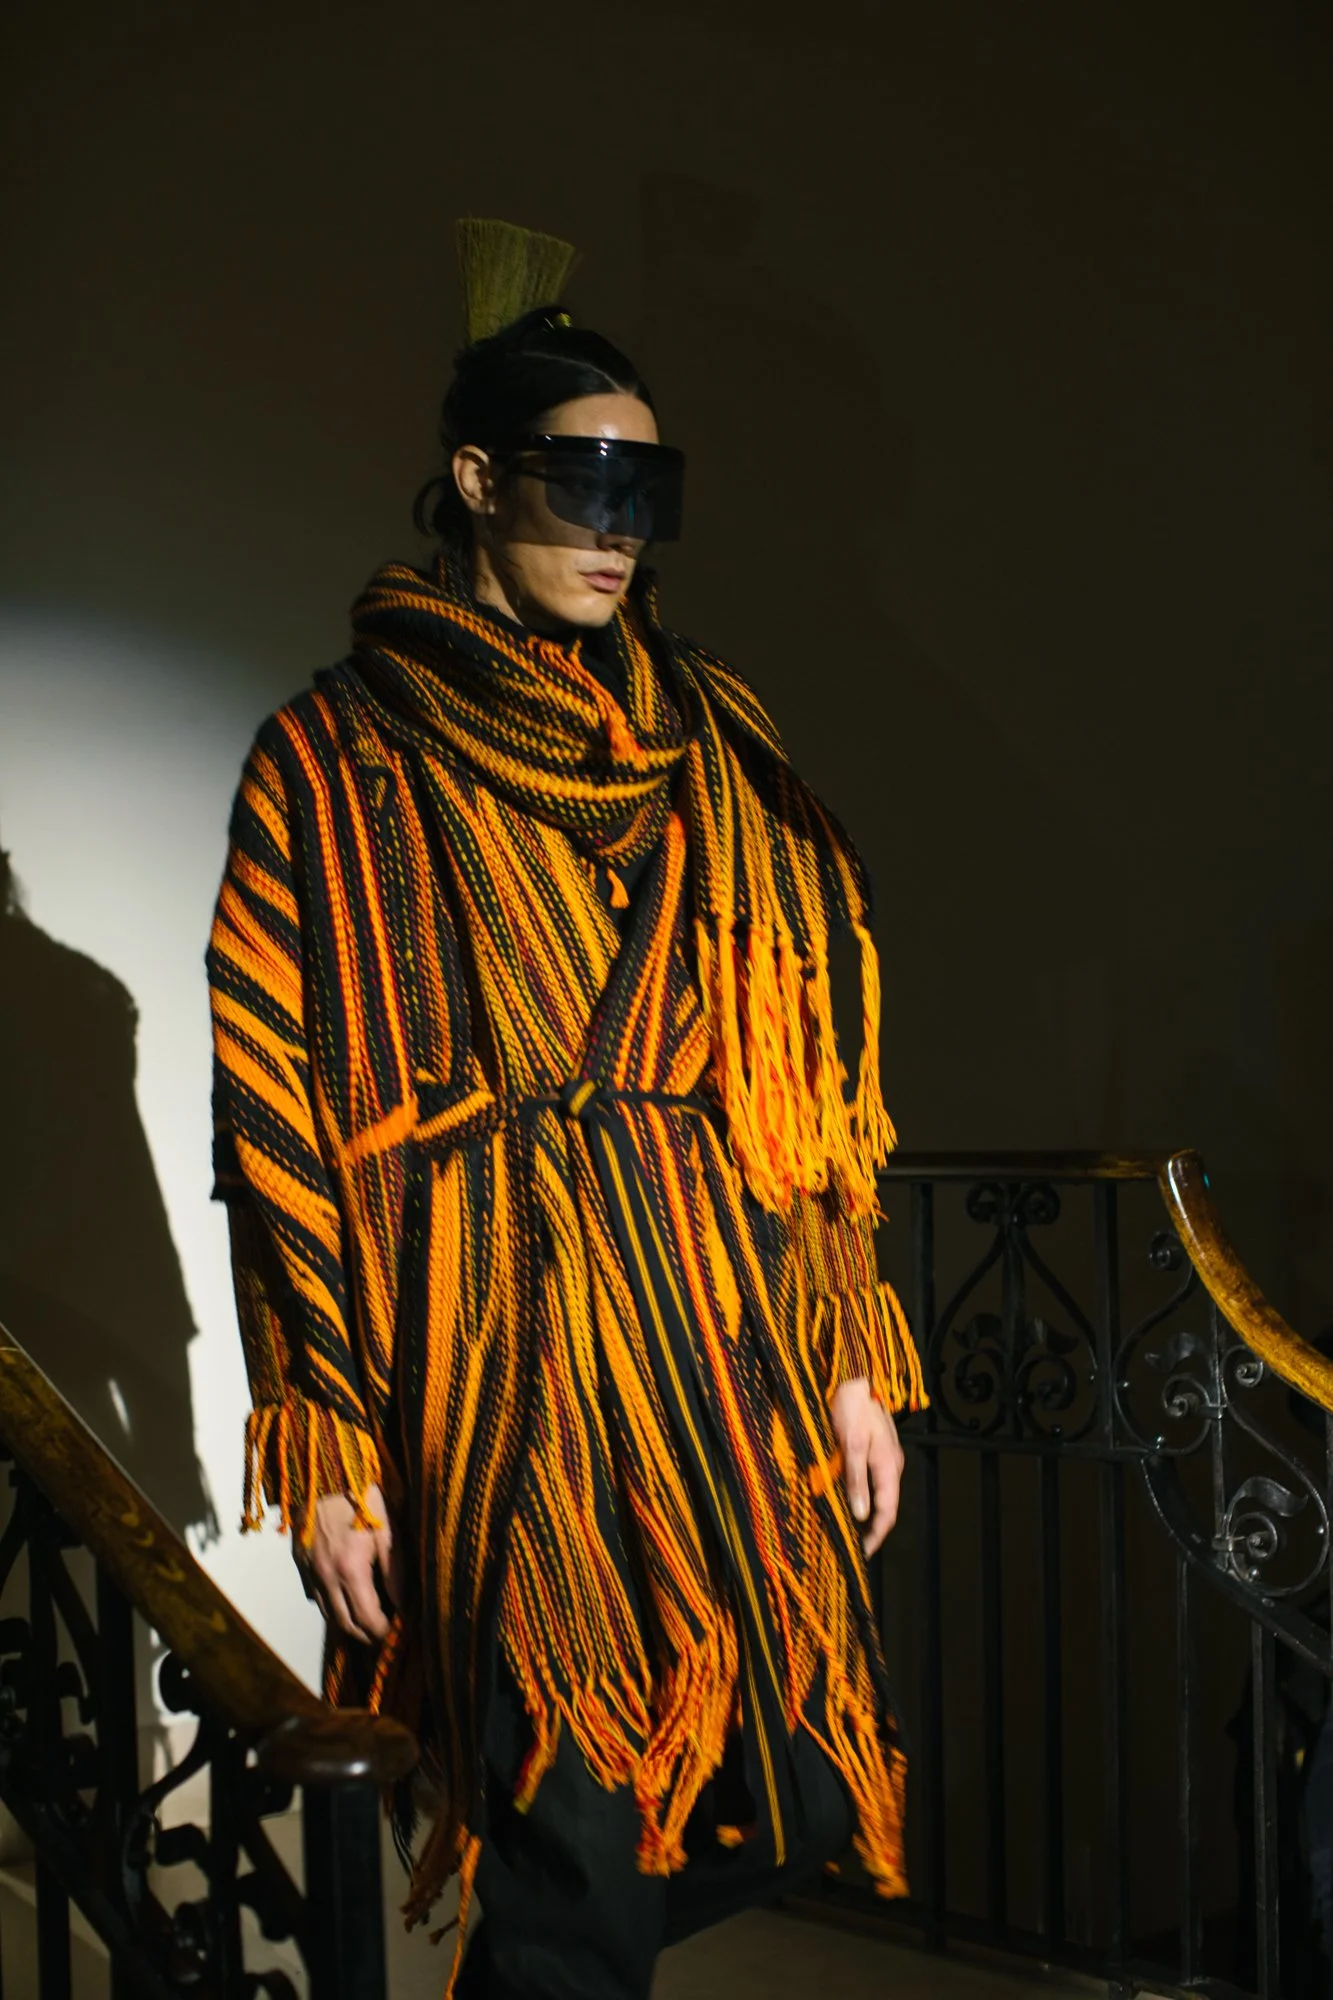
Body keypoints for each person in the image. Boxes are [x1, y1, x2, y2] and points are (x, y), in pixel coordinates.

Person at [208, 218, 927, 1999]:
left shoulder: (716, 740)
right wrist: (330, 1442)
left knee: (785, 1788)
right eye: (582, 483)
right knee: (569, 1828)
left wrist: (845, 1348)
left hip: (712, 1336)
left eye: (647, 493)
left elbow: (799, 1067)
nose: (619, 531)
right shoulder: (333, 756)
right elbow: (273, 1119)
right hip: (490, 1351)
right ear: (476, 479)